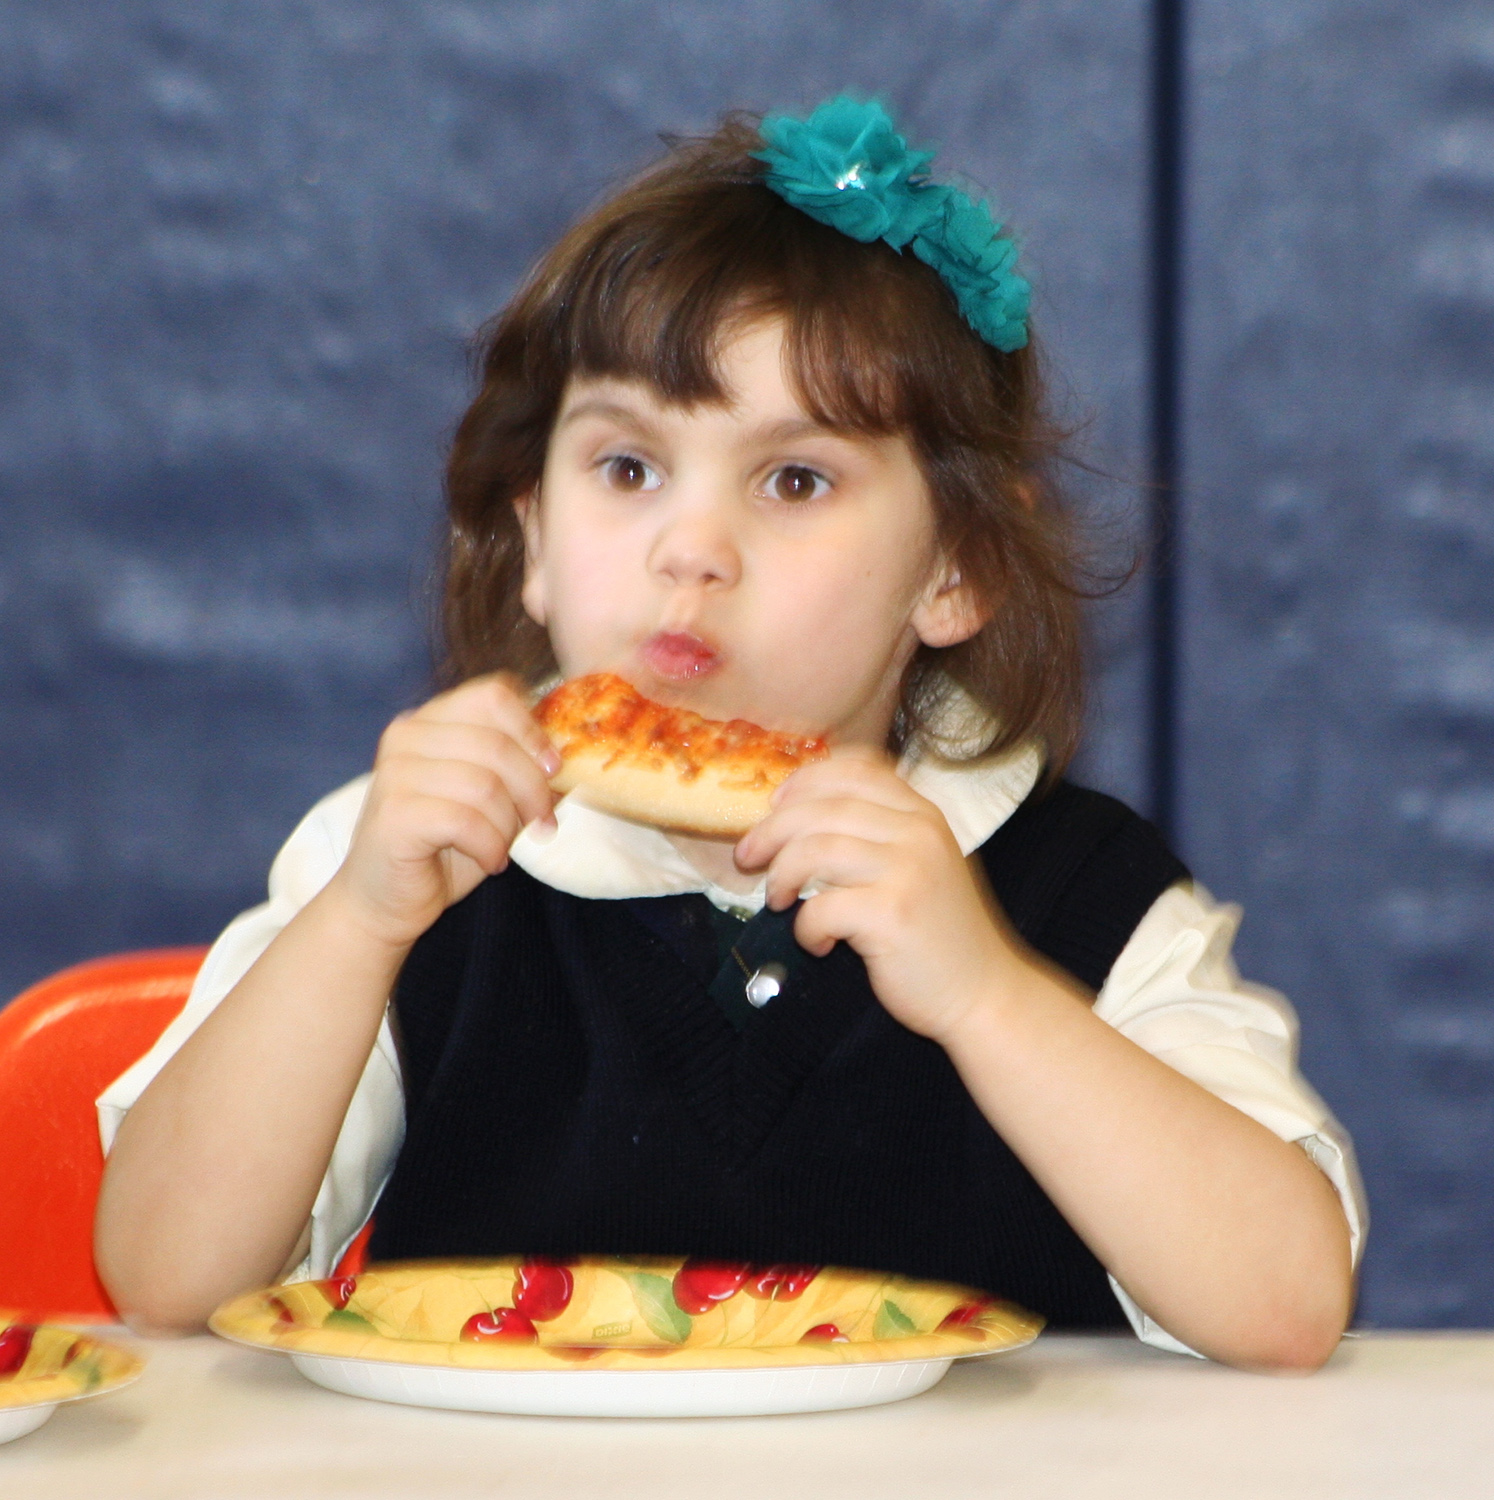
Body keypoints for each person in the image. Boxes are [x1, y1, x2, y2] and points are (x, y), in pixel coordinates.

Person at [94, 97, 1363, 1370]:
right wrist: (357, 923)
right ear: (532, 537)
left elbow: (1286, 1307)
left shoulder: (1083, 895)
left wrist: (987, 995)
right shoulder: (410, 868)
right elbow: (160, 1272)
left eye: (795, 480)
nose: (691, 550)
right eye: (629, 469)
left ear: (957, 568)